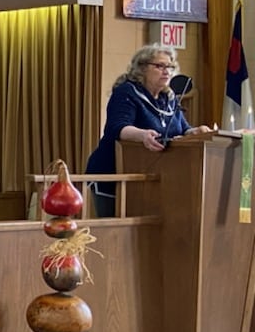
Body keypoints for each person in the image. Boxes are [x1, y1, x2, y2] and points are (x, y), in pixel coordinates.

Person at [84, 44, 212, 217]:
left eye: (170, 67)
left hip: (153, 178)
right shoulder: (127, 92)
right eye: (160, 66)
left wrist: (196, 132)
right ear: (142, 68)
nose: (167, 71)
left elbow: (181, 129)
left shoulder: (169, 98)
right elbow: (117, 127)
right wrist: (142, 135)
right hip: (114, 174)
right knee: (112, 233)